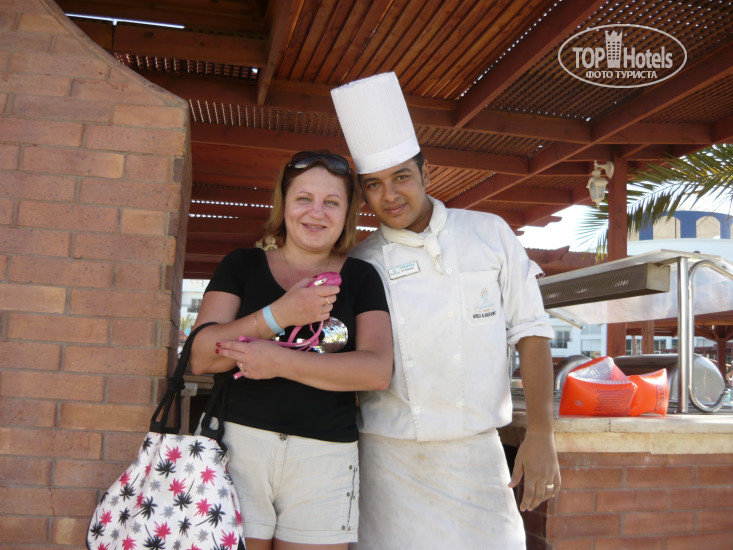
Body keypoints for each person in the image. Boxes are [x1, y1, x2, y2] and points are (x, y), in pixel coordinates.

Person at [330, 72, 560, 549]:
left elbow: (531, 330)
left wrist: (541, 433)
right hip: (389, 461)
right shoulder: (362, 263)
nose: (390, 195)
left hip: (478, 456)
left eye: (401, 177)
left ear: (426, 174)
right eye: (374, 185)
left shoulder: (489, 233)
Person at [189, 150, 393, 550]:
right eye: (304, 199)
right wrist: (278, 314)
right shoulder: (242, 265)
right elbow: (201, 356)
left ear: (347, 214)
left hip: (324, 458)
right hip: (235, 448)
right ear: (283, 204)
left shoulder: (362, 277)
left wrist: (280, 361)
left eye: (331, 202)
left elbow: (376, 371)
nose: (316, 212)